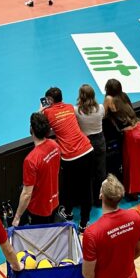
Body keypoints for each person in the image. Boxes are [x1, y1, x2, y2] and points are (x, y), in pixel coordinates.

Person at [42, 86, 94, 228]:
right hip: (87, 149)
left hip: (70, 156)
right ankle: (84, 223)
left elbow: (39, 125)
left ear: (50, 100)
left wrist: (41, 109)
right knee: (86, 188)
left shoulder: (47, 112)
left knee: (69, 186)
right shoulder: (70, 107)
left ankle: (69, 212)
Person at [11, 113, 60, 226]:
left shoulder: (31, 160)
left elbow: (26, 194)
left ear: (31, 130)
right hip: (54, 201)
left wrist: (17, 217)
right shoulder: (55, 145)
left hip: (39, 209)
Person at [75, 84, 106, 202]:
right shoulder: (101, 108)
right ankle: (100, 199)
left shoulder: (76, 111)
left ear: (81, 96)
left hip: (86, 144)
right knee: (100, 171)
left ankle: (88, 200)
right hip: (100, 142)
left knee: (87, 173)